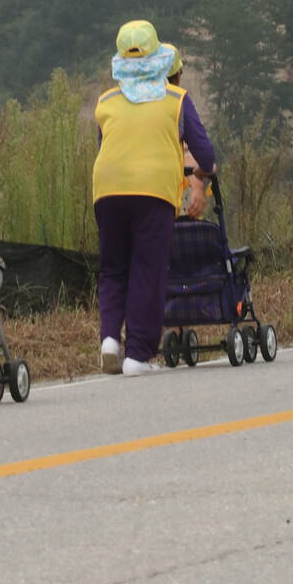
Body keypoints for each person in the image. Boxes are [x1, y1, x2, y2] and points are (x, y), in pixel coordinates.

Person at [94, 20, 216, 377]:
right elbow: (204, 154)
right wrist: (201, 175)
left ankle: (109, 340)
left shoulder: (105, 102)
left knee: (114, 267)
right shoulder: (176, 99)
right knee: (148, 269)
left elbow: (106, 148)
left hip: (107, 188)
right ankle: (138, 355)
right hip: (152, 192)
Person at [165, 45, 214, 221]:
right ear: (178, 76)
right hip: (172, 197)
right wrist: (198, 181)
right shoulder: (179, 102)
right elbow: (198, 151)